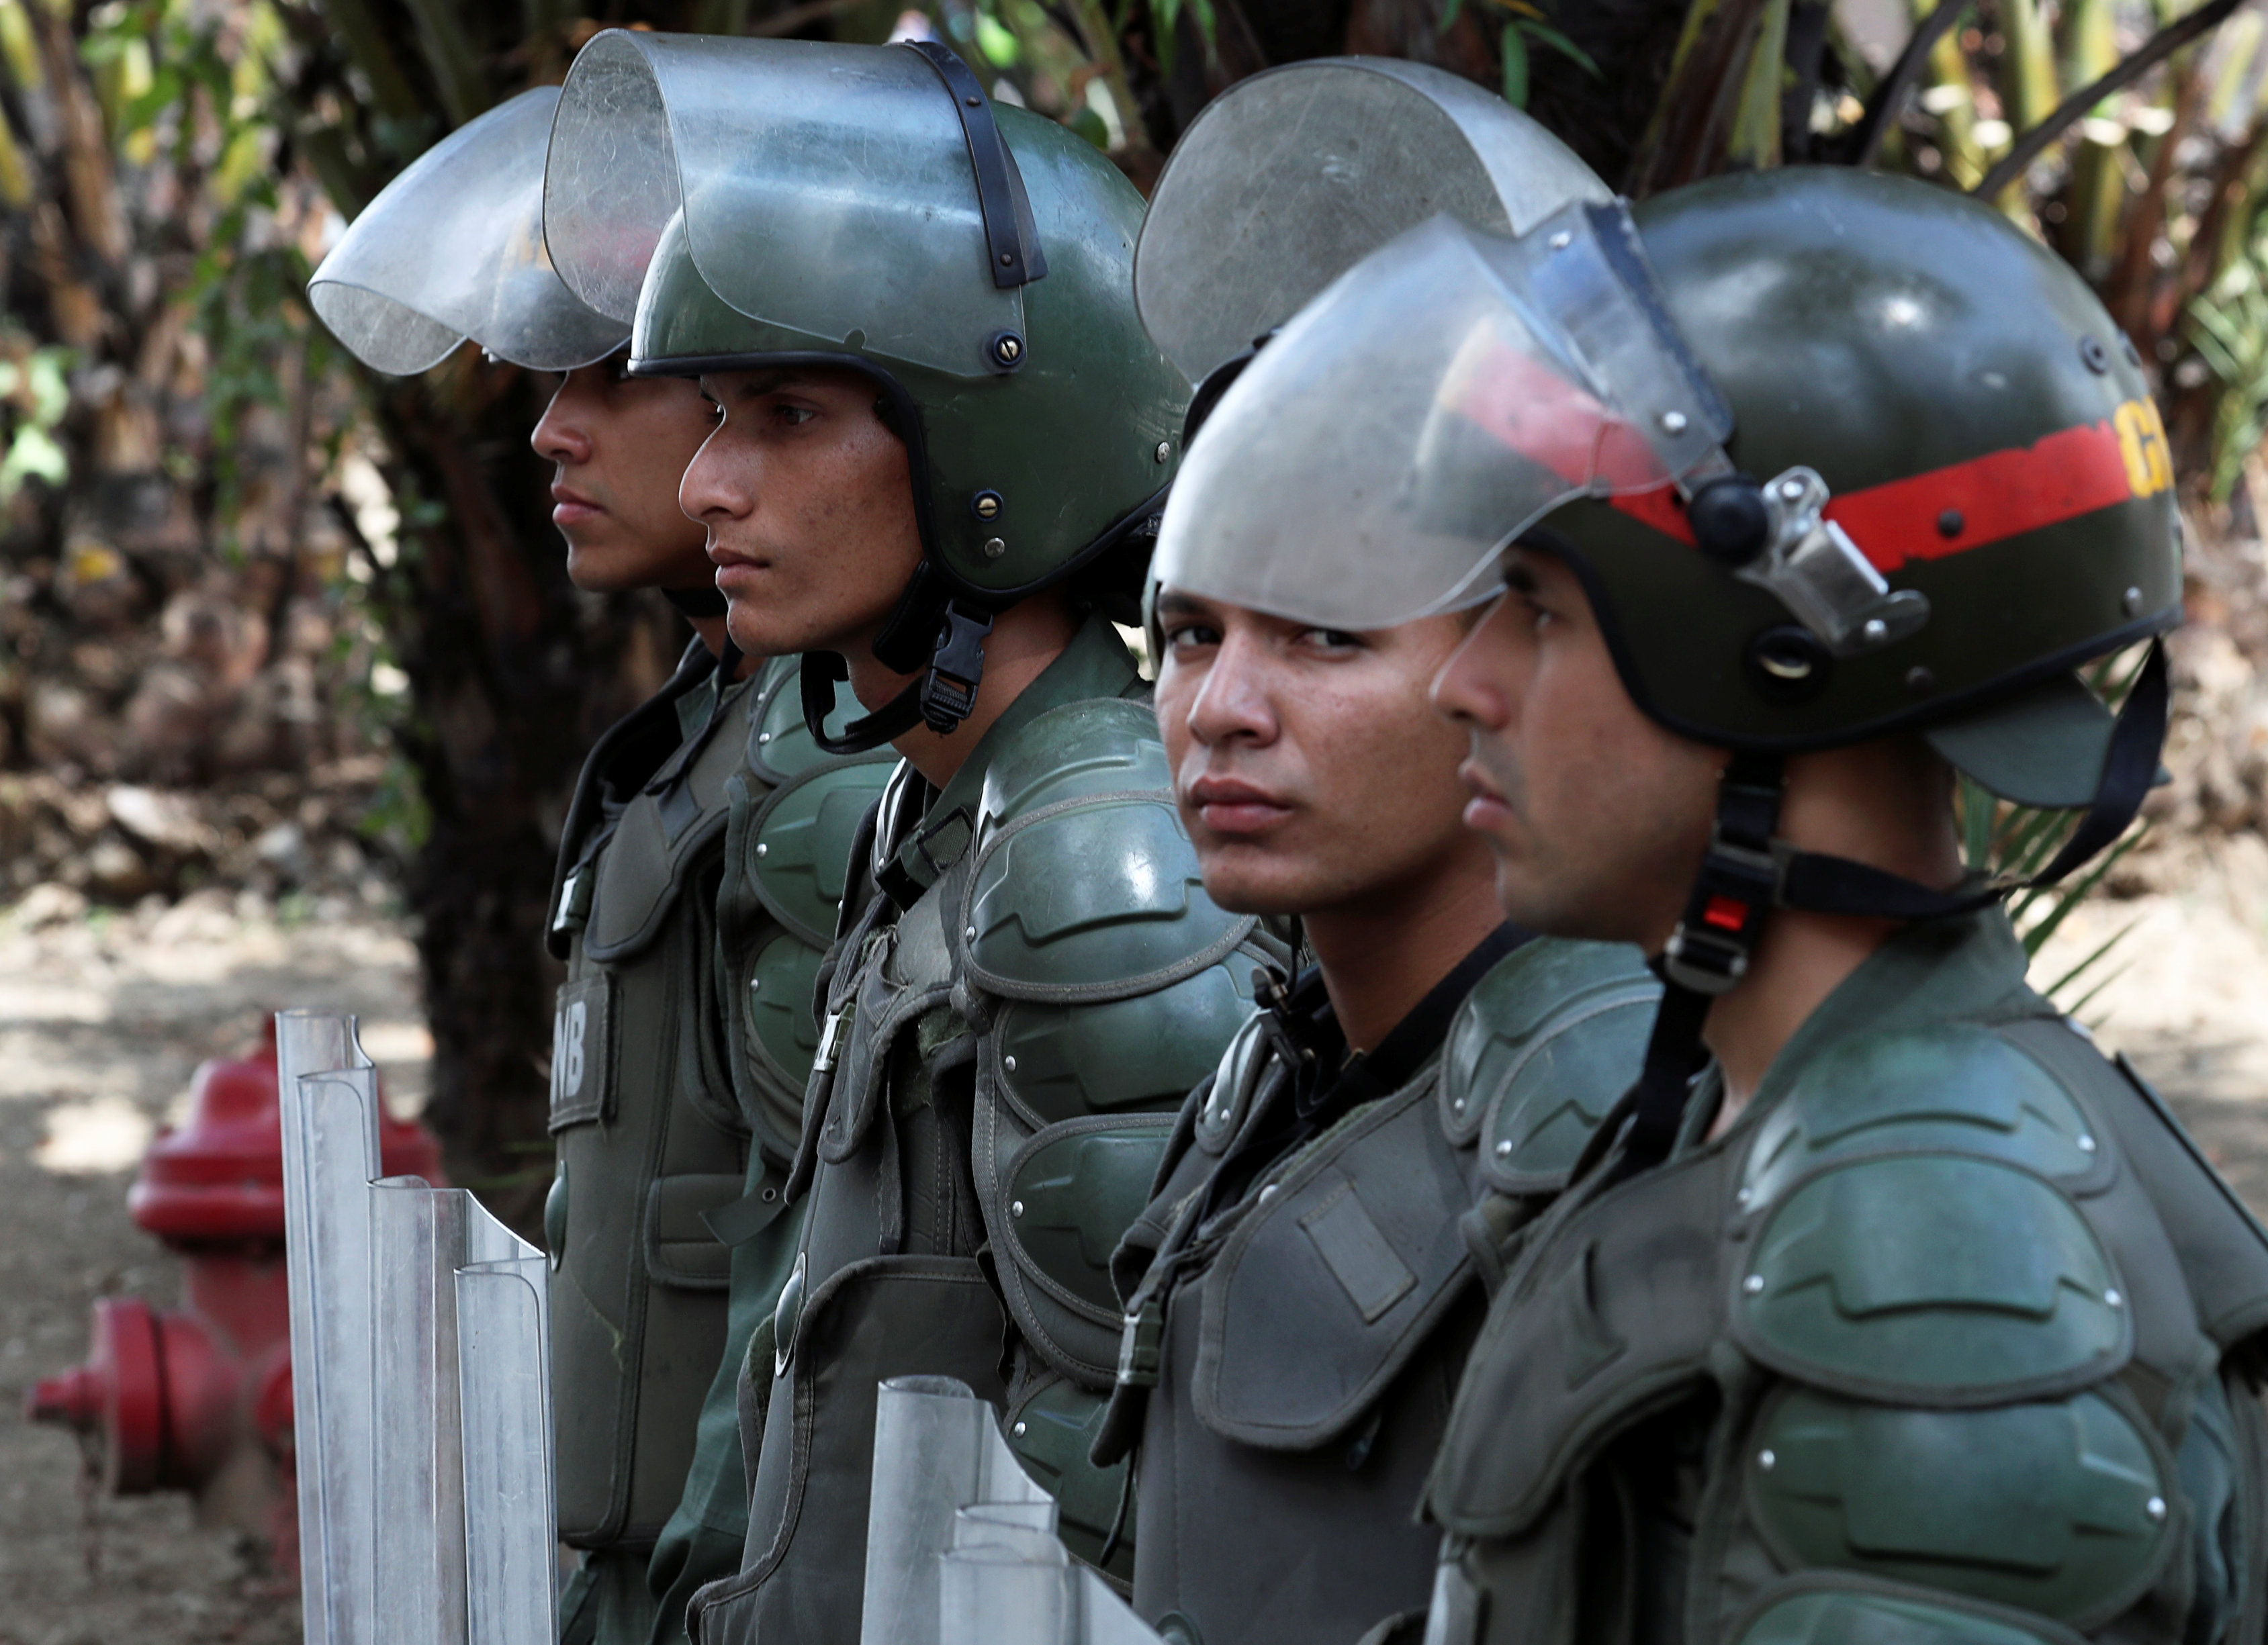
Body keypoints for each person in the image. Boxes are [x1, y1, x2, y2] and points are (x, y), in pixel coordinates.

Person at [1149, 164, 2268, 1645]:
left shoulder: (1928, 1237)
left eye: (1540, 611)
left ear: (1768, 658)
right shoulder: (1764, 1121)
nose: (1465, 681)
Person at [539, 34, 1285, 1644]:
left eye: (790, 415)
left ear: (994, 454)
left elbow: (1125, 1524)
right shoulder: (927, 808)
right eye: (723, 412)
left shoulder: (1092, 869)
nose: (716, 477)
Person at [1067, 59, 1652, 1645]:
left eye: (1327, 635)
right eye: (1188, 635)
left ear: (1512, 662)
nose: (1223, 712)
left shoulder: (1603, 1112)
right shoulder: (1285, 1058)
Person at [308, 88, 895, 1645]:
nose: (547, 424)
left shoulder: (829, 779)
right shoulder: (707, 736)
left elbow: (819, 1285)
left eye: (612, 373)